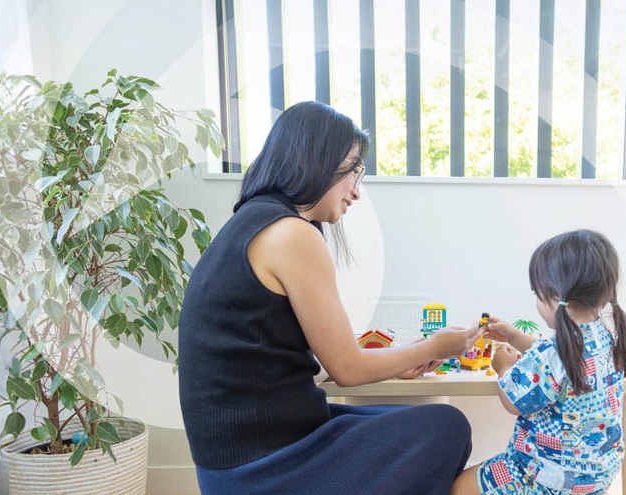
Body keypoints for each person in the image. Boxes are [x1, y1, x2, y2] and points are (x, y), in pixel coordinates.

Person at [177, 101, 484, 495]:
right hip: (260, 469)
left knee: (411, 423)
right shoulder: (290, 234)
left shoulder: (255, 222)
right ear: (309, 162)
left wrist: (404, 357)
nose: (356, 193)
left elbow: (309, 365)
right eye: (352, 172)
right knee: (446, 426)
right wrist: (435, 345)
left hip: (252, 452)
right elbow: (348, 370)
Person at [451, 230, 626, 495]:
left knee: (460, 487)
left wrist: (504, 368)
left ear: (557, 298)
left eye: (539, 296)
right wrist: (515, 337)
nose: (538, 303)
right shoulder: (605, 340)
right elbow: (562, 364)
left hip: (539, 479)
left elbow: (514, 402)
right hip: (593, 480)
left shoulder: (553, 353)